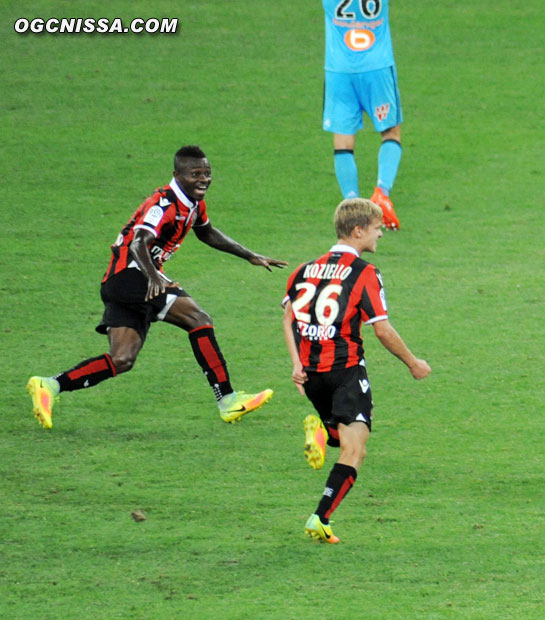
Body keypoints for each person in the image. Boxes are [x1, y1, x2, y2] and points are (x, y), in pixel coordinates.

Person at [26, 145, 288, 429]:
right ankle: (227, 399)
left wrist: (250, 255)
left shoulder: (193, 204)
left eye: (207, 173)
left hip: (122, 282)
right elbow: (139, 241)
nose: (204, 179)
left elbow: (207, 232)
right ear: (177, 174)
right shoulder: (163, 204)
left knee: (122, 359)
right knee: (198, 320)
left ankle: (49, 385)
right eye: (195, 174)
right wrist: (154, 277)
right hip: (132, 277)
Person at [282, 198, 430, 543]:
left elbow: (288, 318)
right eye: (377, 228)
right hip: (345, 371)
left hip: (312, 375)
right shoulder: (365, 273)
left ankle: (322, 432)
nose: (381, 233)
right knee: (355, 450)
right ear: (358, 230)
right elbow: (382, 329)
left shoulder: (304, 269)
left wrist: (295, 362)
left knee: (343, 437)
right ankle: (321, 517)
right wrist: (413, 363)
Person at [322, 0, 403, 230]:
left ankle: (351, 204)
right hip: (377, 67)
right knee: (390, 132)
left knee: (343, 142)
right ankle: (382, 192)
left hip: (339, 69)